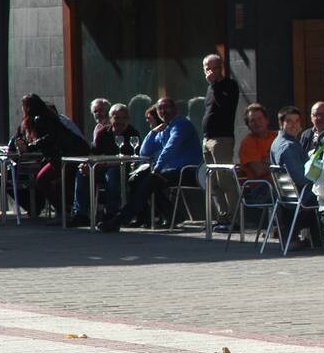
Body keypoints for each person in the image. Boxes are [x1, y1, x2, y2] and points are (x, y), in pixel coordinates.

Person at [98, 97, 202, 232]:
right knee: (137, 178)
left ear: (175, 109)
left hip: (188, 170)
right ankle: (158, 216)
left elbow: (170, 148)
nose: (163, 111)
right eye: (160, 109)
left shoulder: (181, 124)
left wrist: (157, 168)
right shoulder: (165, 128)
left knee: (151, 181)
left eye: (166, 107)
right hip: (170, 170)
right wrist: (153, 132)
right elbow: (144, 151)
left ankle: (119, 220)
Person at [9, 93, 90, 219]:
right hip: (63, 156)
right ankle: (64, 209)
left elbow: (49, 138)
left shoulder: (40, 119)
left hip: (66, 156)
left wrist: (29, 147)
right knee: (46, 179)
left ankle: (63, 210)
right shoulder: (46, 117)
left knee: (42, 179)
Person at [67, 103, 140, 227]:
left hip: (123, 170)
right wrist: (86, 165)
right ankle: (81, 214)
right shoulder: (103, 133)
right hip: (102, 167)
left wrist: (104, 164)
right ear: (110, 118)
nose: (120, 122)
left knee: (113, 174)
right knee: (82, 173)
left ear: (128, 119)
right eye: (117, 118)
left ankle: (111, 213)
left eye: (124, 118)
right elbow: (93, 154)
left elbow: (128, 159)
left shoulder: (132, 134)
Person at [269, 106, 323, 249]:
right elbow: (300, 177)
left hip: (286, 197)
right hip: (298, 196)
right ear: (281, 123)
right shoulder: (288, 146)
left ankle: (315, 239)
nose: (294, 125)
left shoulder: (278, 142)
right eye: (289, 121)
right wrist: (320, 177)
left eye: (297, 121)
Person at [200, 54, 240, 218]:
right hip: (207, 138)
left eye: (214, 68)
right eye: (207, 68)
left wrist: (214, 85)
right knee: (212, 182)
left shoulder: (229, 85)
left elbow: (224, 105)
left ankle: (237, 218)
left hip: (221, 139)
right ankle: (224, 216)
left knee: (225, 179)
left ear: (221, 68)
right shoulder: (211, 88)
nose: (210, 72)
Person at [236, 104, 277, 184]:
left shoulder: (277, 136)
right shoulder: (247, 143)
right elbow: (259, 171)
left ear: (267, 120)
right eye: (252, 120)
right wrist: (276, 163)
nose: (257, 123)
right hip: (262, 187)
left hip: (283, 183)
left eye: (260, 119)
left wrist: (267, 161)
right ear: (248, 125)